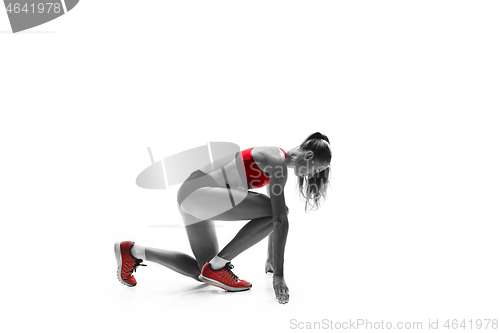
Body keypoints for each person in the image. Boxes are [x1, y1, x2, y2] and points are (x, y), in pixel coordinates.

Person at [114, 132, 332, 304]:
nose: (313, 175)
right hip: (199, 193)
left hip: (190, 196)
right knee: (280, 213)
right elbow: (279, 219)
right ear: (309, 156)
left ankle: (133, 251)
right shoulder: (277, 162)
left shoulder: (276, 162)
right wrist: (279, 277)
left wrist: (270, 259)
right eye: (317, 169)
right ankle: (219, 266)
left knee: (202, 271)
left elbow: (274, 216)